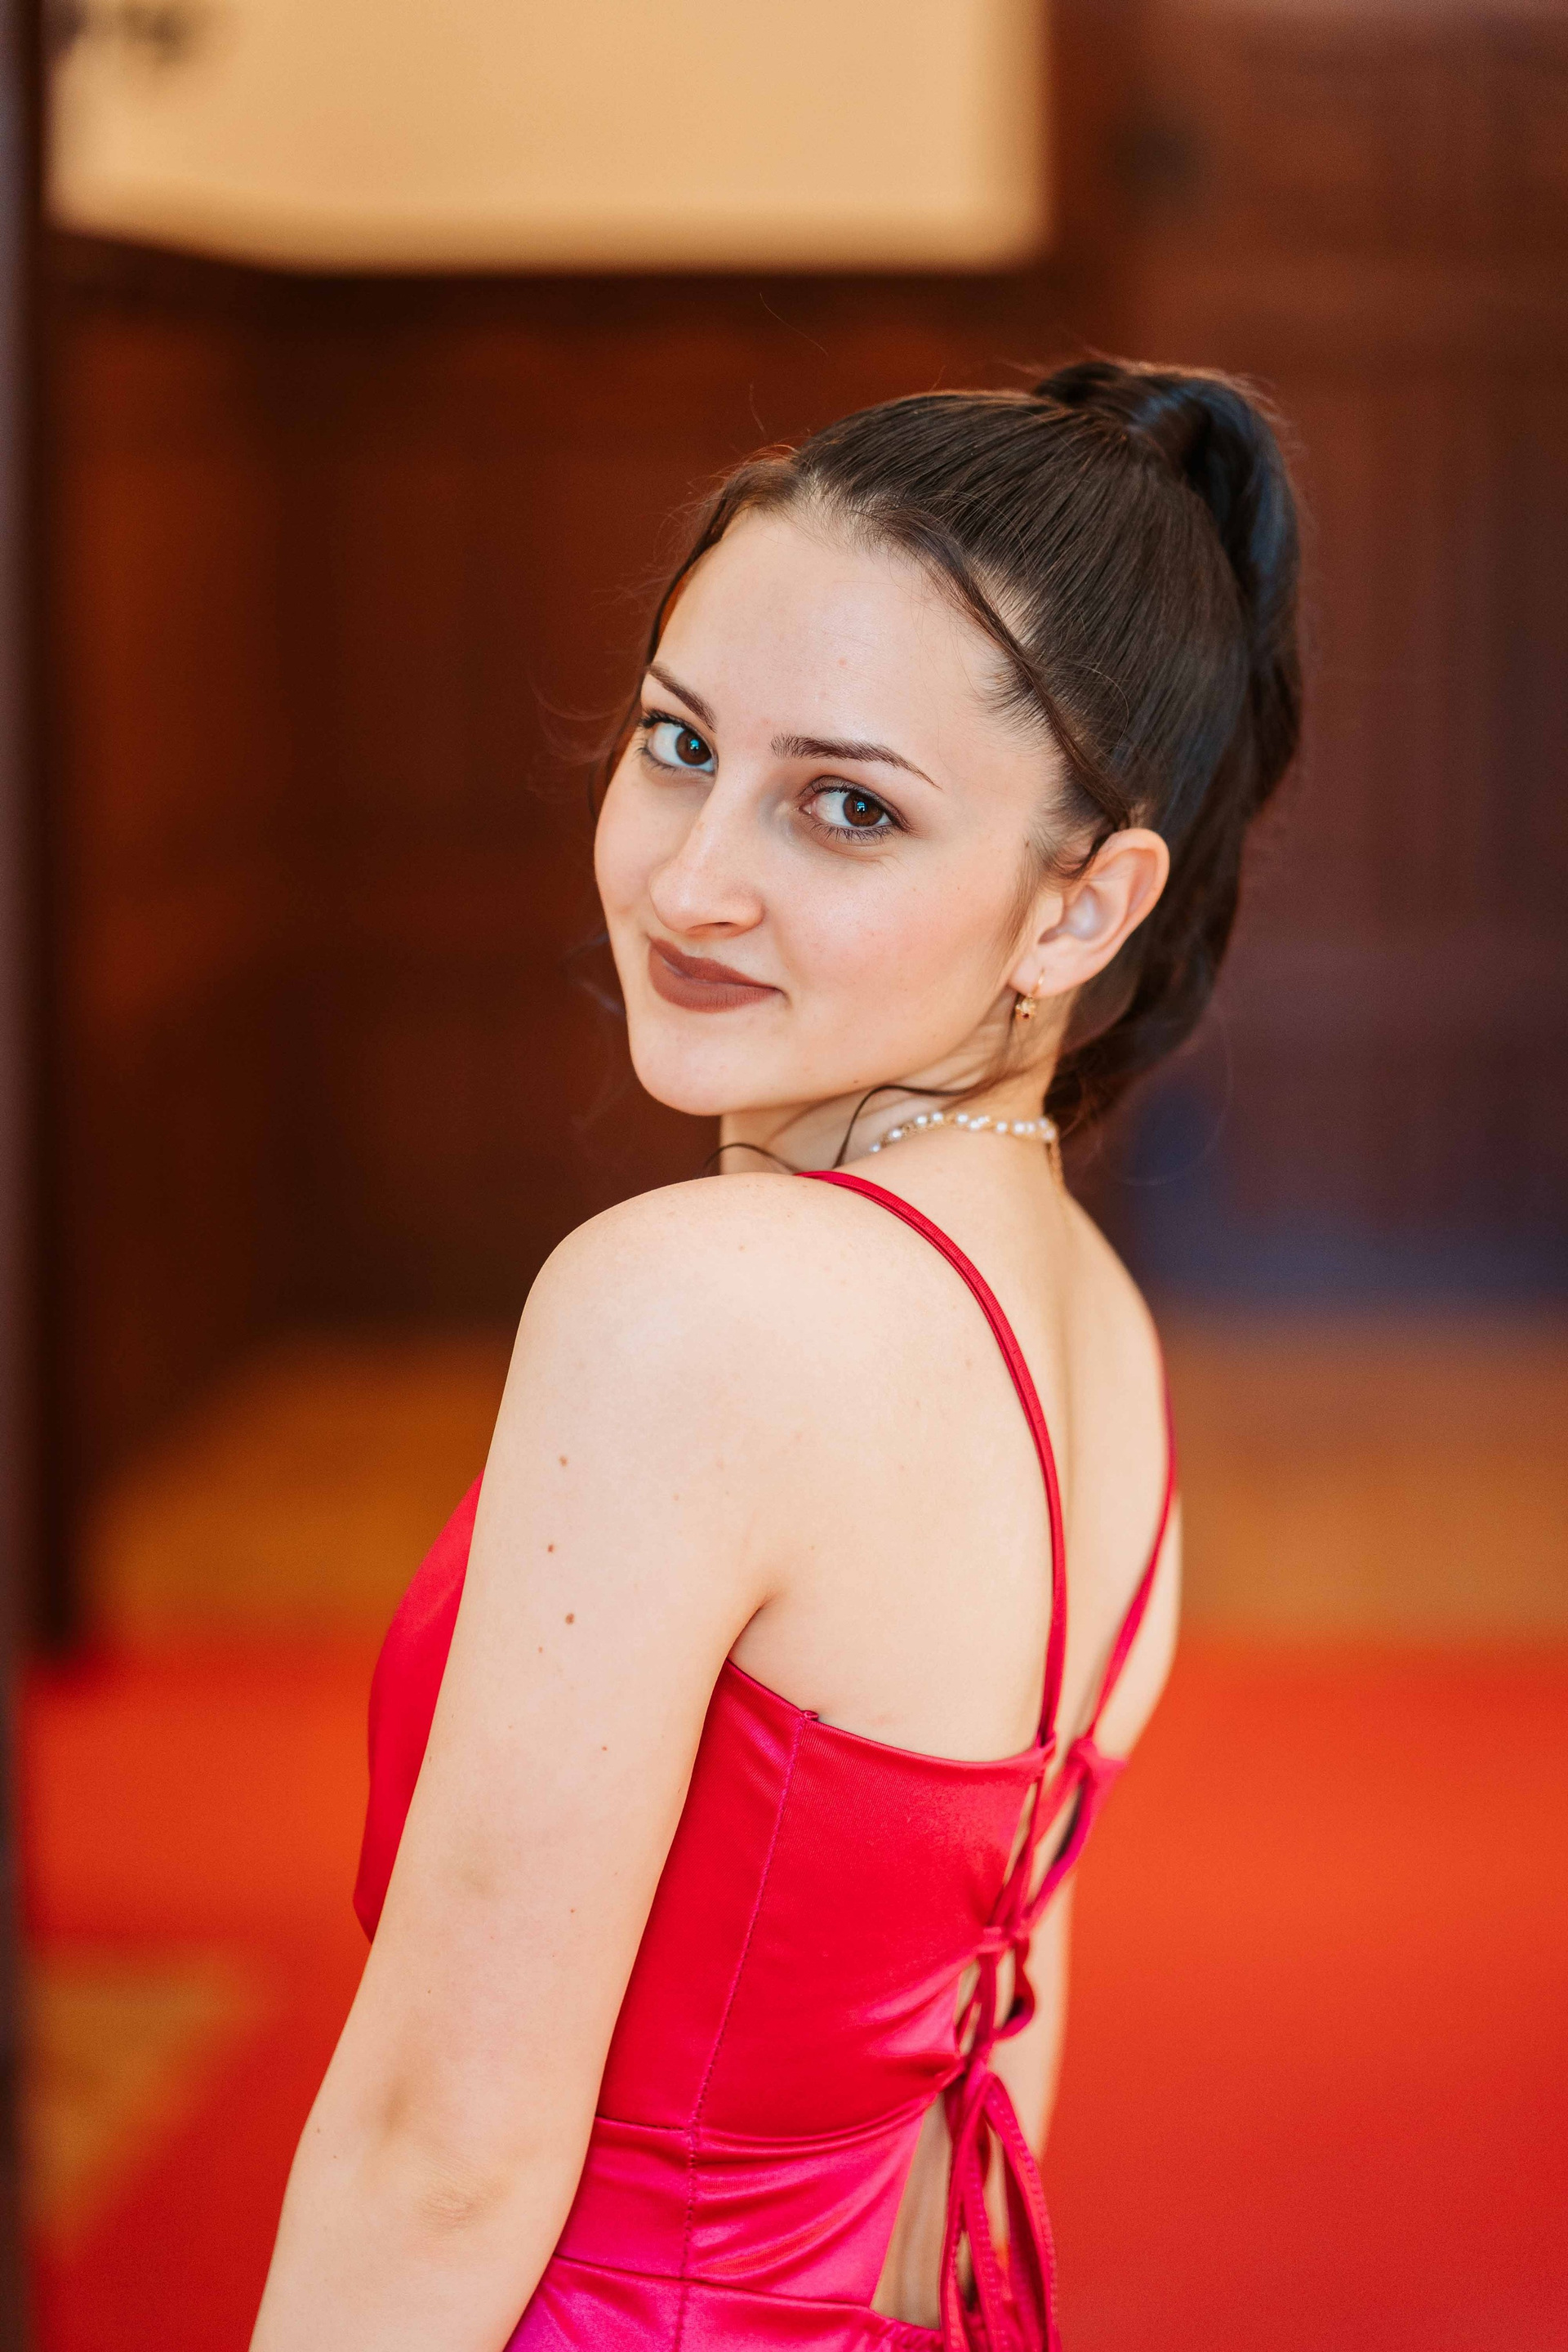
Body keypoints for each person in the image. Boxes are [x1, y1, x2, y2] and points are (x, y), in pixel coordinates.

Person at [252, 359, 1301, 2352]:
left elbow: (442, 2153)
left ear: (1082, 908)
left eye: (847, 805)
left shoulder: (691, 1307)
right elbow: (985, 2080)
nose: (688, 878)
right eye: (678, 742)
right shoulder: (1096, 1324)